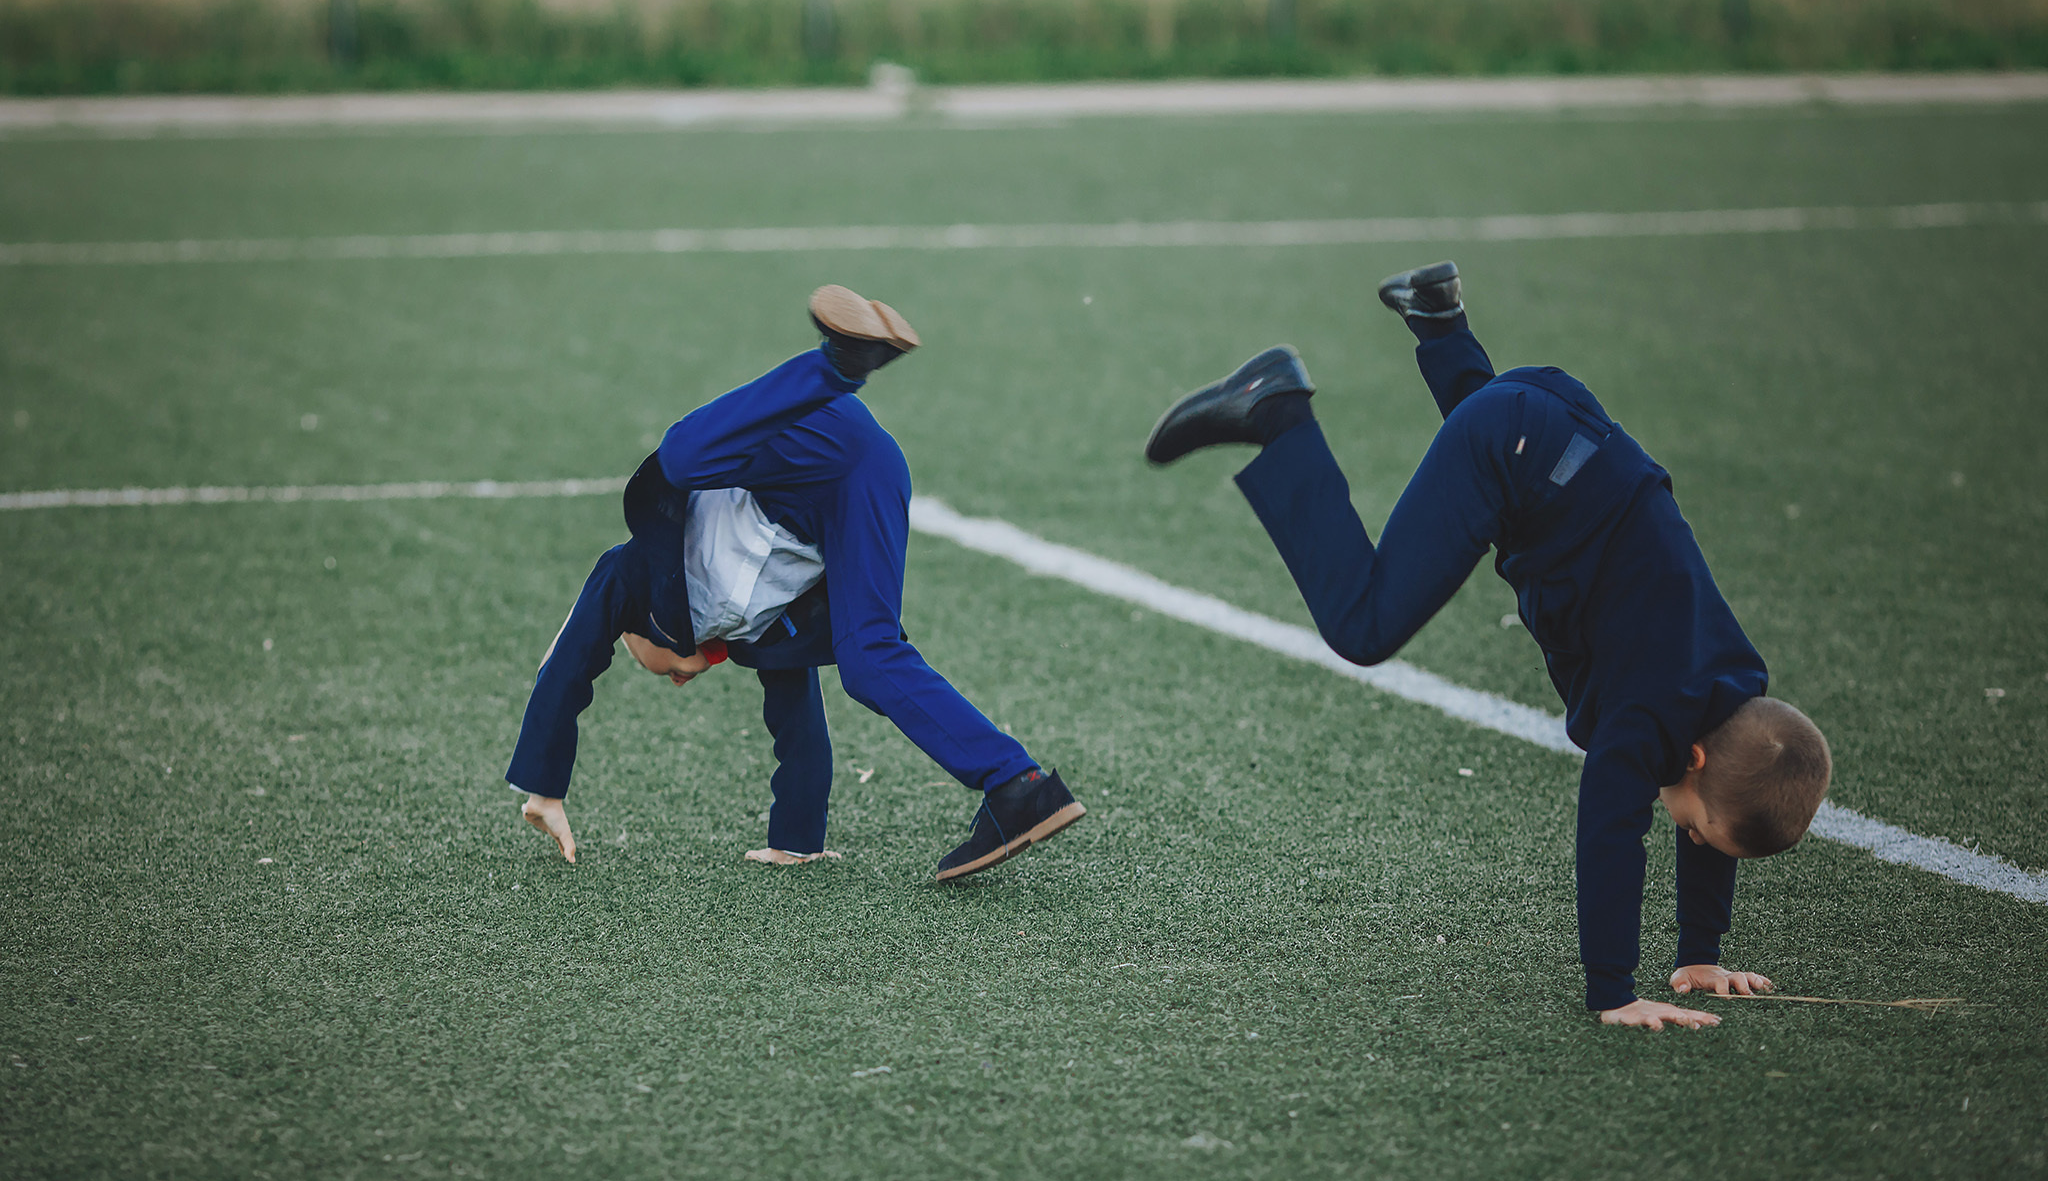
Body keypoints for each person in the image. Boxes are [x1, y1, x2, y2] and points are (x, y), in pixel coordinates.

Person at [1143, 262, 1831, 1031]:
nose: (1691, 838)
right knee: (1363, 625)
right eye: (1694, 828)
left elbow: (1719, 803)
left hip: (1562, 433)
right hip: (1521, 451)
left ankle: (1440, 323)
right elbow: (1610, 829)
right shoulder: (1654, 711)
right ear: (1695, 757)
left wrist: (1700, 952)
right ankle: (1275, 410)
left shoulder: (1735, 697)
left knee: (1518, 480)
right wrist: (1614, 989)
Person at [507, 285, 1084, 880]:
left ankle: (838, 363)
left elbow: (571, 656)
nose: (677, 680)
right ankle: (1018, 785)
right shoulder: (758, 638)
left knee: (680, 455)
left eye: (657, 666)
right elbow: (797, 727)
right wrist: (795, 840)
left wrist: (544, 788)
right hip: (867, 477)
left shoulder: (632, 575)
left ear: (639, 629)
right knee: (868, 658)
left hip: (805, 445)